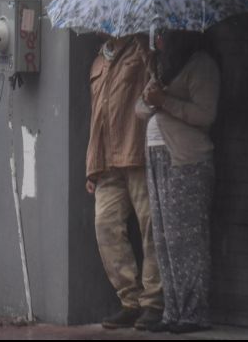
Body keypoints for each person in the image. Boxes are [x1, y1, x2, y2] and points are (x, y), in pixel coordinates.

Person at [137, 29, 220, 334]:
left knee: (187, 240)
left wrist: (164, 101)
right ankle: (173, 311)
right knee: (164, 240)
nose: (158, 41)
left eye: (163, 35)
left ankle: (194, 313)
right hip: (158, 160)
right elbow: (139, 109)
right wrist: (151, 99)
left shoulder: (201, 66)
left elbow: (205, 114)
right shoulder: (162, 70)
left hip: (187, 161)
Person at [86, 34, 164, 330]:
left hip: (137, 154)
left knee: (150, 228)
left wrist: (150, 55)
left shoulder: (142, 49)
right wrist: (91, 166)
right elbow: (96, 116)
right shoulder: (99, 59)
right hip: (106, 161)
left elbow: (157, 83)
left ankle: (154, 302)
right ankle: (129, 300)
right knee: (105, 226)